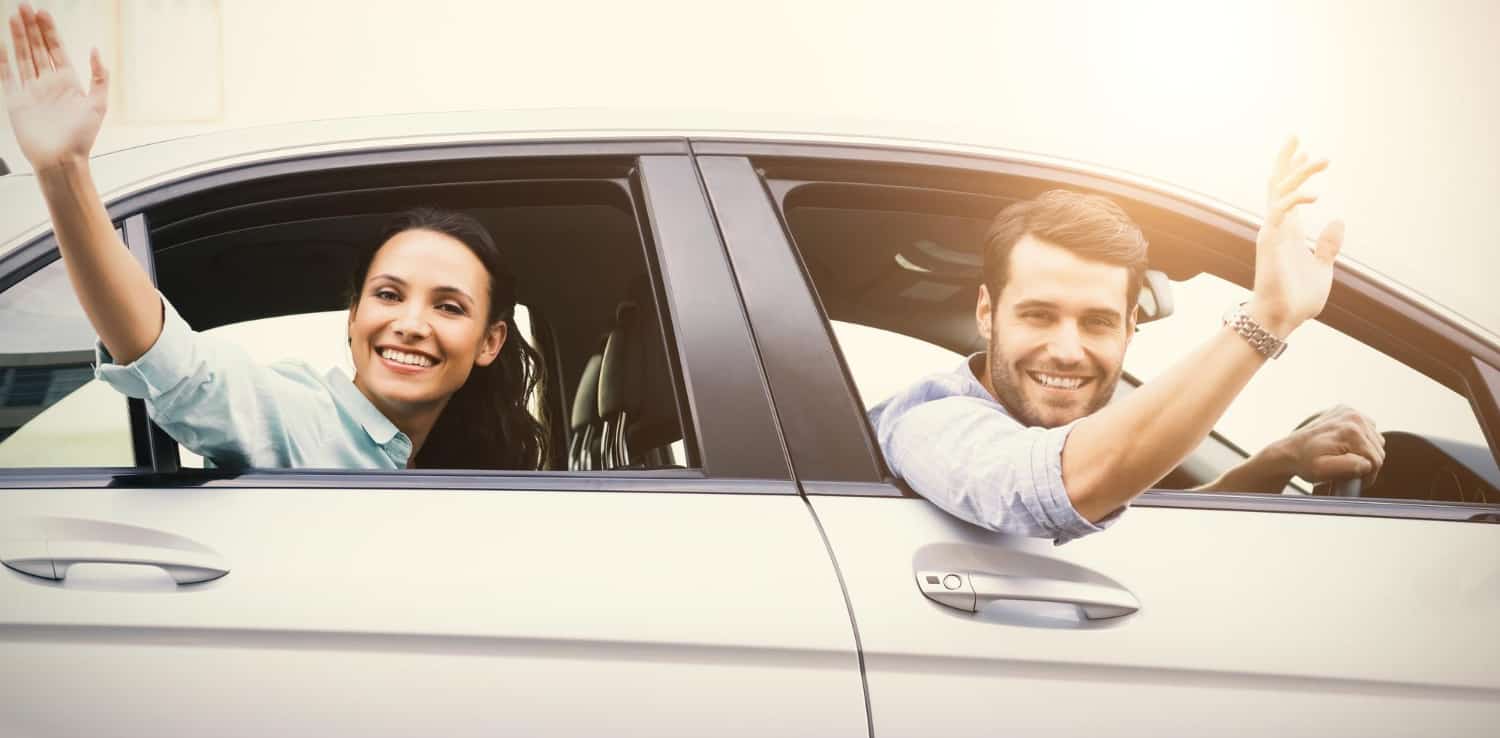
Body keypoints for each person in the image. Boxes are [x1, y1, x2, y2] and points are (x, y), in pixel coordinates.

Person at [0, 5, 548, 470]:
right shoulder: (301, 422)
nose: (410, 324)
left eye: (448, 306)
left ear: (490, 341)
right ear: (353, 314)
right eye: (387, 294)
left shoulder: (447, 470)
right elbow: (181, 371)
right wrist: (64, 171)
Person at [870, 151, 1385, 544]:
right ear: (987, 312)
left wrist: (1276, 462)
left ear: (1130, 325)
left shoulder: (1087, 441)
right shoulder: (929, 422)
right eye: (1038, 315)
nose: (1068, 351)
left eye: (1097, 321)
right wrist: (1268, 318)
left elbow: (1127, 538)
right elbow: (1062, 488)